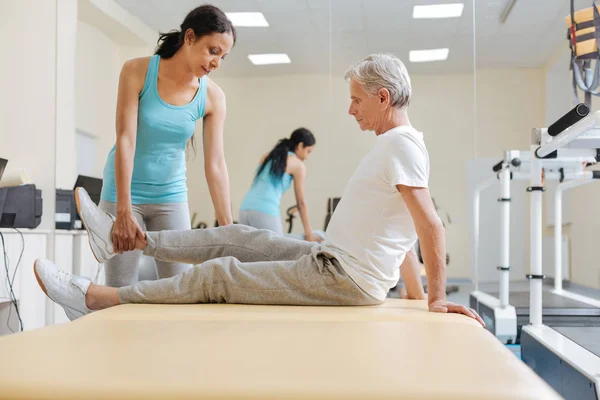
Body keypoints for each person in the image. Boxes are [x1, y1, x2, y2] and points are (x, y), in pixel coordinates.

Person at [35, 54, 484, 326]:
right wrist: (411, 292)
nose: (350, 109)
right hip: (329, 260)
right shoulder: (396, 146)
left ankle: (94, 297)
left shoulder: (400, 146)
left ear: (383, 98)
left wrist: (436, 297)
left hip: (342, 278)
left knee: (221, 274)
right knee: (239, 238)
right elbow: (403, 229)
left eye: (356, 99)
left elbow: (428, 224)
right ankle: (126, 238)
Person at [98, 5, 236, 287]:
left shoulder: (213, 97)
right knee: (119, 290)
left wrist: (228, 227)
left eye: (223, 56)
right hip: (123, 195)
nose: (216, 63)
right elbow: (126, 138)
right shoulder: (137, 71)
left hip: (171, 197)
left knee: (181, 288)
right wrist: (123, 209)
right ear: (189, 38)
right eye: (212, 51)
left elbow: (216, 164)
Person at [239, 128, 321, 241]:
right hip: (265, 210)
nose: (307, 157)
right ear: (300, 145)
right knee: (279, 252)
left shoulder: (268, 156)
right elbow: (301, 202)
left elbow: (264, 186)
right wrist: (309, 234)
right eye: (308, 151)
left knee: (249, 253)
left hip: (245, 208)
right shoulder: (298, 165)